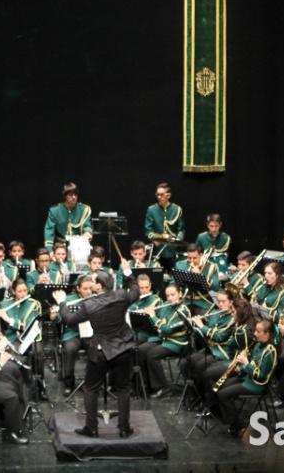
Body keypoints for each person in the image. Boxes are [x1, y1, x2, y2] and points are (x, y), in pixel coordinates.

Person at [53, 269, 138, 439]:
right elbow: (135, 291)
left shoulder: (89, 305)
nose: (91, 283)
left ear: (99, 286)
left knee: (90, 388)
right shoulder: (121, 295)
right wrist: (128, 272)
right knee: (123, 388)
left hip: (101, 351)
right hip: (123, 348)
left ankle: (91, 428)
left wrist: (62, 302)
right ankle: (124, 428)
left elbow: (68, 319)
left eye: (93, 281)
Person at [215, 319, 278, 438]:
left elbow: (260, 376)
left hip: (257, 385)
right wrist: (241, 369)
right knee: (221, 386)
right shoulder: (258, 345)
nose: (254, 334)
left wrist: (246, 363)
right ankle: (230, 418)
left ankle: (238, 424)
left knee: (223, 394)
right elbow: (253, 364)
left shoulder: (270, 352)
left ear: (267, 334)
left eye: (258, 332)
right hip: (248, 378)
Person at [138, 284, 193, 398]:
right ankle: (146, 386)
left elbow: (167, 329)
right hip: (164, 339)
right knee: (141, 350)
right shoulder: (166, 306)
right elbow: (157, 323)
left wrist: (153, 316)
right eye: (168, 295)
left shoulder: (183, 310)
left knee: (152, 354)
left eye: (173, 295)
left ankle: (164, 387)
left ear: (180, 294)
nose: (170, 298)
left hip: (177, 343)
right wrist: (146, 313)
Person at [43, 181, 93, 251]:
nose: (74, 197)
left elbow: (87, 225)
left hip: (79, 246)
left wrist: (87, 232)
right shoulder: (55, 211)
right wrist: (49, 250)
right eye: (71, 195)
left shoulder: (84, 209)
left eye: (75, 195)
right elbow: (49, 230)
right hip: (60, 247)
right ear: (65, 196)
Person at [144, 182, 185, 265]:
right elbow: (148, 230)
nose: (159, 197)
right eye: (157, 194)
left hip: (173, 250)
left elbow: (181, 229)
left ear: (168, 195)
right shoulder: (151, 210)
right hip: (158, 249)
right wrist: (157, 238)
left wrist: (178, 241)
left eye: (162, 194)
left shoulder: (177, 209)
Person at [174, 244, 221, 312]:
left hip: (203, 302)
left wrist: (200, 275)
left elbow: (216, 287)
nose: (191, 261)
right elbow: (173, 283)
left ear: (201, 255)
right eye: (189, 258)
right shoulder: (180, 264)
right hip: (185, 300)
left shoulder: (211, 266)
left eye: (195, 258)